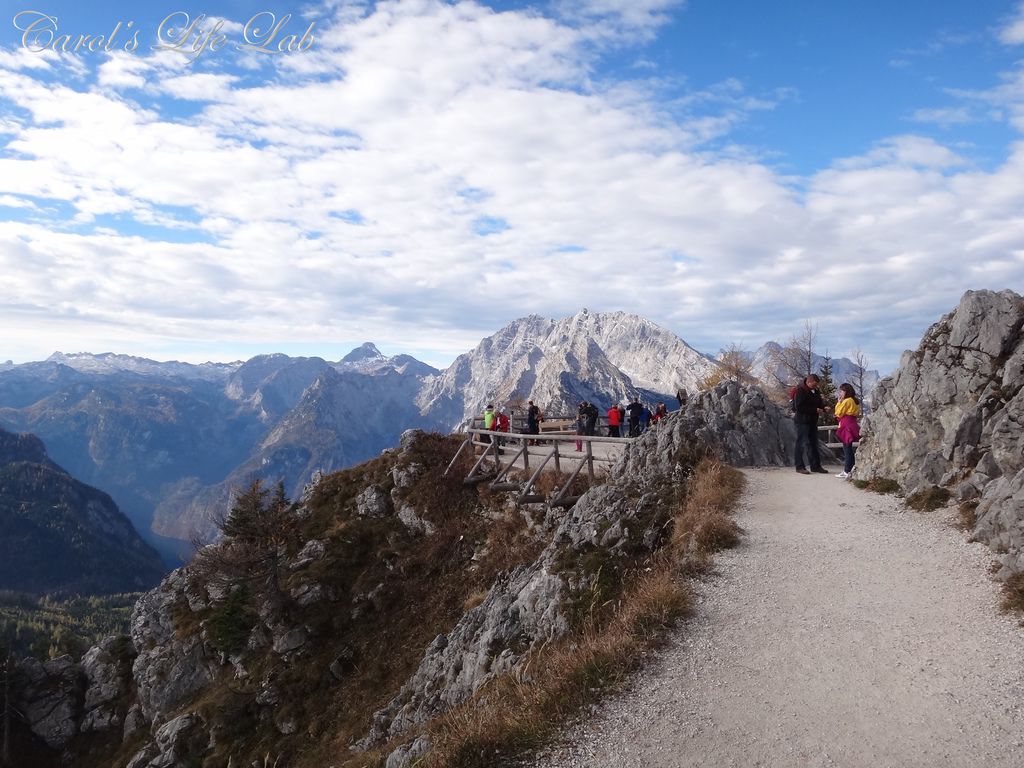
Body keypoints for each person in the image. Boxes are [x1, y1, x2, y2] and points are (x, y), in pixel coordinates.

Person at [793, 374, 827, 474]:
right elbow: (799, 407)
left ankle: (816, 466)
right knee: (801, 444)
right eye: (814, 384)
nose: (815, 386)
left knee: (813, 444)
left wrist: (824, 408)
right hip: (802, 421)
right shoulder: (801, 391)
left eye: (816, 385)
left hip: (812, 421)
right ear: (809, 382)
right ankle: (799, 466)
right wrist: (814, 410)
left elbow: (819, 403)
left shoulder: (816, 391)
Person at [834, 383, 861, 479]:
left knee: (847, 448)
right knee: (848, 448)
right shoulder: (855, 400)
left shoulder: (847, 401)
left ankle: (847, 470)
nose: (840, 393)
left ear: (846, 392)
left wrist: (839, 402)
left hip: (846, 424)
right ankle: (850, 468)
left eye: (841, 391)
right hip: (852, 423)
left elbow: (838, 413)